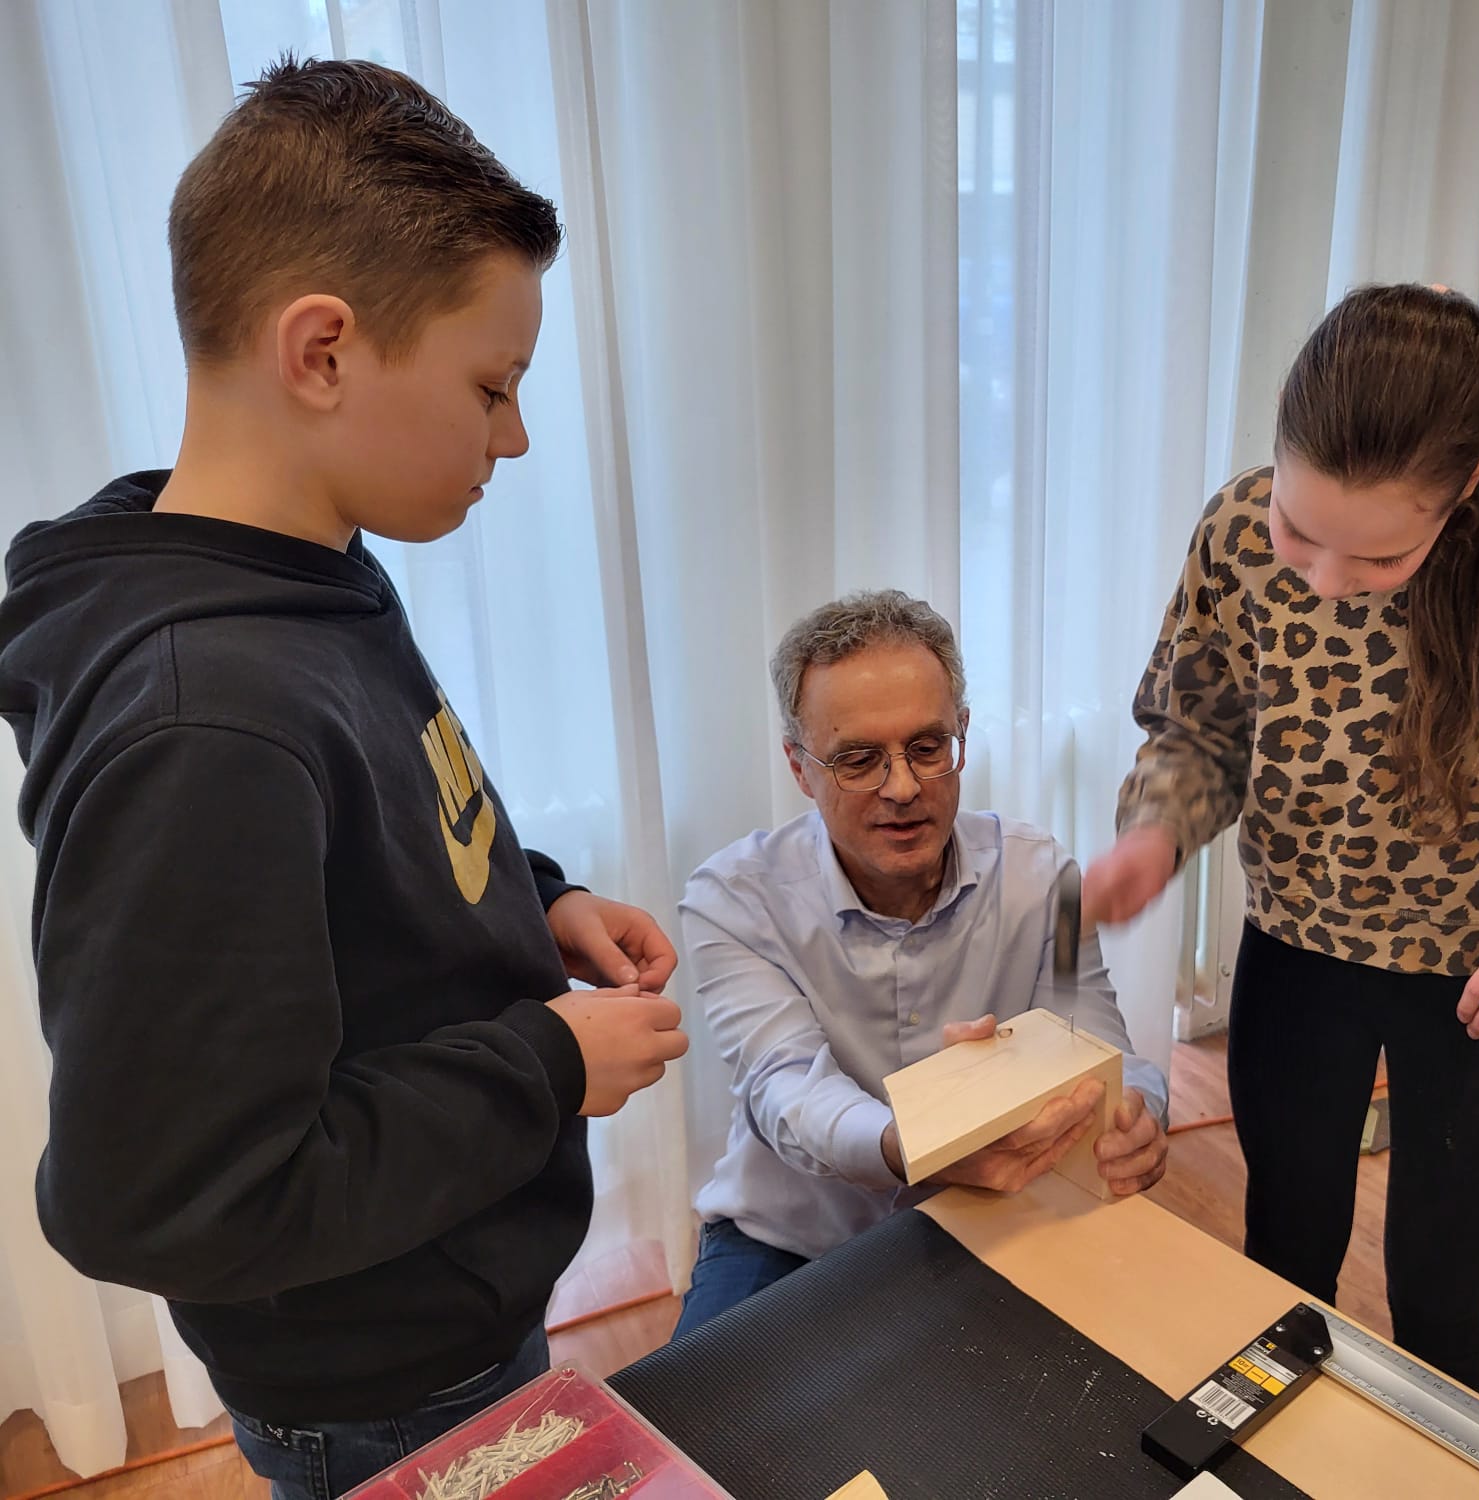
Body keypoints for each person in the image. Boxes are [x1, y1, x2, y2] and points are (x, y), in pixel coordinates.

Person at [0, 59, 688, 1500]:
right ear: (320, 352)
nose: (512, 437)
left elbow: (405, 810)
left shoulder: (311, 572)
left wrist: (538, 902)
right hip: (379, 1375)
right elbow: (160, 1199)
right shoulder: (204, 725)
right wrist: (550, 1064)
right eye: (492, 386)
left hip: (450, 1294)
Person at [1084, 285, 1479, 1395]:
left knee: (1437, 1270)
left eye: (1374, 561)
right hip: (1297, 950)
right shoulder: (1233, 530)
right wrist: (1156, 833)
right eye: (1296, 531)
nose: (1323, 579)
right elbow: (1201, 728)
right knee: (1282, 1246)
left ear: (1466, 485)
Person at [675, 590, 1168, 1335]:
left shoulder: (1044, 876)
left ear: (961, 733)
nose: (902, 787)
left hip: (998, 1212)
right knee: (693, 1437)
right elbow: (787, 1091)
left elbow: (1103, 1047)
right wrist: (919, 1144)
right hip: (790, 1241)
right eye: (858, 759)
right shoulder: (731, 900)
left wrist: (1138, 1116)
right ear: (799, 767)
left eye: (928, 747)